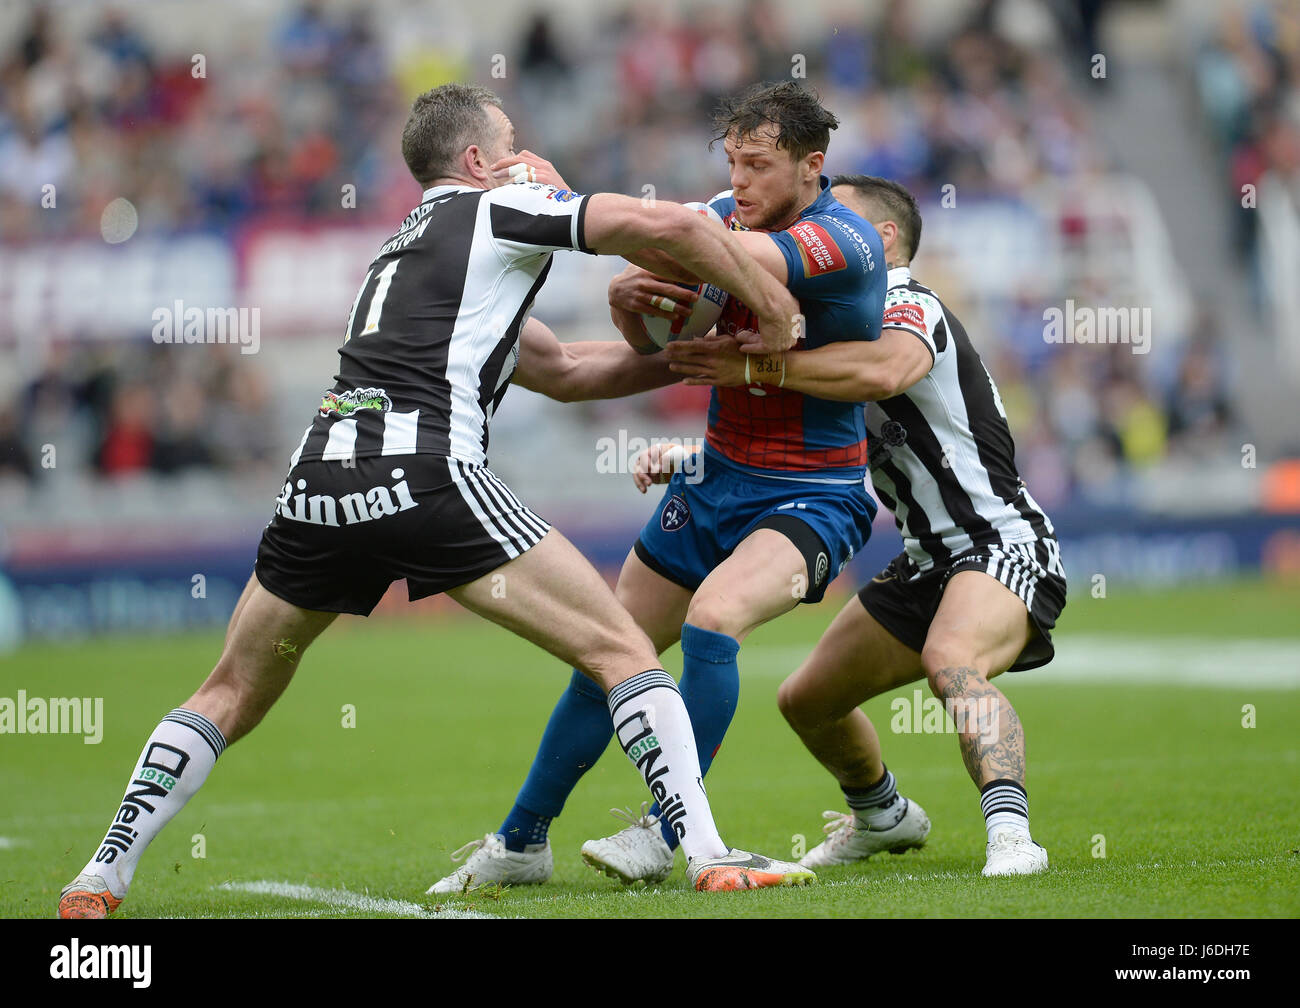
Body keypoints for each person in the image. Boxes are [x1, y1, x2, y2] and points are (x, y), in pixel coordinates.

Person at [56, 83, 815, 919]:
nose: (527, 156)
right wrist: (775, 307)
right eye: (514, 142)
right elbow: (671, 227)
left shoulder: (402, 255)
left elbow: (562, 372)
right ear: (478, 162)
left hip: (318, 487)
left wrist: (698, 357)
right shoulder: (496, 210)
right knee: (623, 651)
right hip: (425, 477)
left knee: (228, 689)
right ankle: (709, 855)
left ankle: (101, 871)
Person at [428, 82, 890, 893]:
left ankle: (663, 831)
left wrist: (564, 199)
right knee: (605, 653)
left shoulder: (841, 240)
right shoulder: (721, 214)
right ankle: (521, 840)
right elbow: (668, 330)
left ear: (813, 166)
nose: (740, 182)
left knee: (713, 624)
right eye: (733, 163)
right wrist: (627, 302)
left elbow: (724, 257)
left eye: (759, 165)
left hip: (813, 494)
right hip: (714, 477)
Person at [769, 175, 1069, 876]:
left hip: (1001, 541)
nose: (813, 236)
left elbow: (889, 370)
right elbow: (788, 448)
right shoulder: (838, 334)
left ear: (879, 240)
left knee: (951, 659)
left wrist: (765, 362)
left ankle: (1012, 837)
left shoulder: (910, 305)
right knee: (807, 700)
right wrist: (688, 458)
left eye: (831, 222)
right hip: (925, 560)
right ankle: (882, 816)